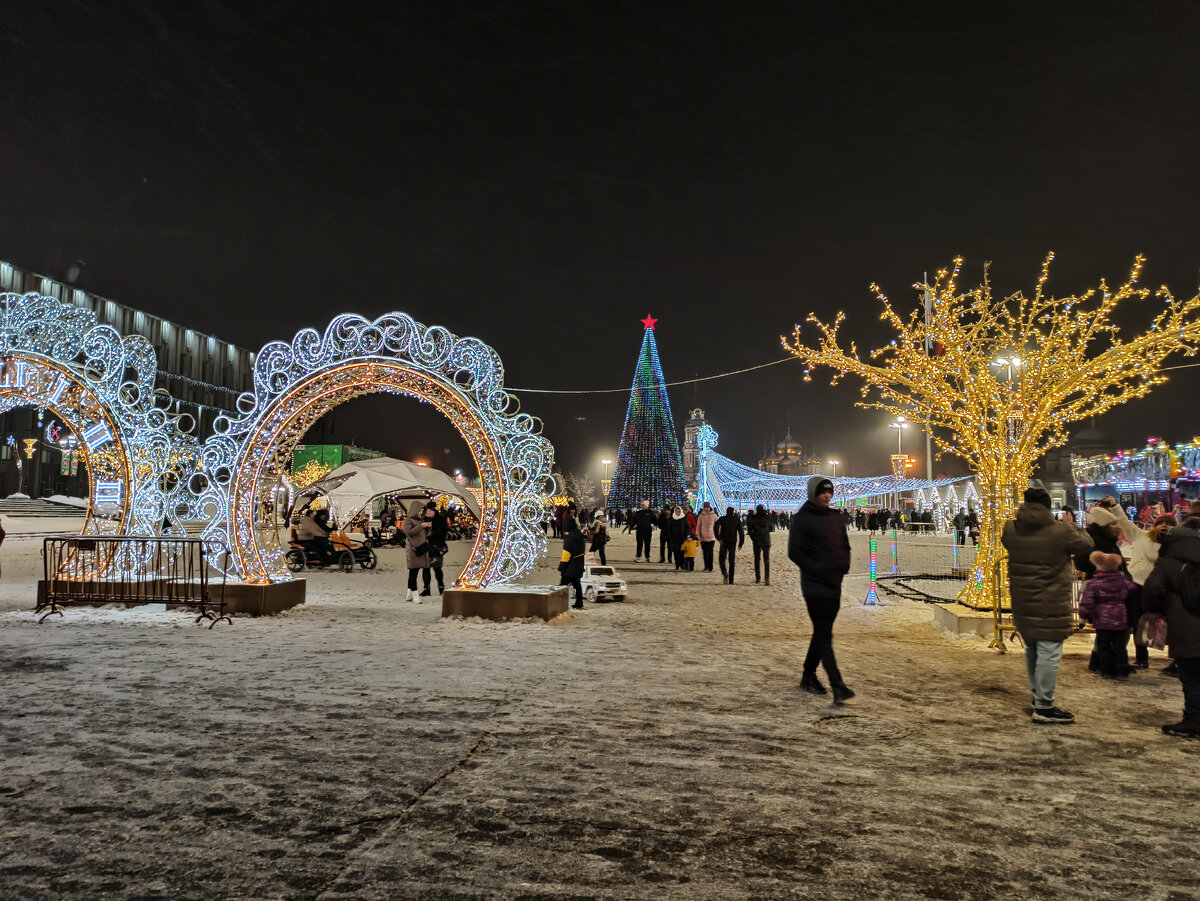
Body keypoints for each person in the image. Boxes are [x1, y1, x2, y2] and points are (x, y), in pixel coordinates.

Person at [1002, 486, 1094, 724]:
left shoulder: (1010, 529)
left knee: (1033, 649)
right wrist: (1071, 523)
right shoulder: (1061, 531)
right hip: (1051, 602)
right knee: (1049, 653)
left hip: (1022, 601)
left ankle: (1038, 698)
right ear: (1047, 507)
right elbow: (1086, 544)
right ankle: (1044, 705)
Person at [788, 476, 853, 703]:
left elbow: (844, 545)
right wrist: (819, 570)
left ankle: (808, 674)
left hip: (834, 583)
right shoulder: (803, 519)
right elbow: (794, 552)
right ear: (813, 493)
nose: (827, 495)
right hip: (815, 585)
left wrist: (843, 567)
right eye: (822, 492)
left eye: (829, 492)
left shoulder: (835, 518)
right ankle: (838, 684)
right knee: (824, 632)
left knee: (822, 632)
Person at [1141, 515, 1200, 738]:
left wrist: (1156, 608)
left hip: (1185, 629)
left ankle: (1194, 719)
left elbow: (1152, 592)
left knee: (1191, 676)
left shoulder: (1168, 563)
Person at [1115, 505, 1176, 669]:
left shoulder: (1176, 545)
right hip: (1138, 585)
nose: (1164, 526)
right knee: (1137, 622)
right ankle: (1142, 658)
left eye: (1168, 524)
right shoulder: (1142, 537)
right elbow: (1124, 523)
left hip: (1163, 588)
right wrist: (1115, 506)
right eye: (1161, 523)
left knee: (1172, 624)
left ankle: (1176, 660)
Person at [1078, 551, 1137, 679]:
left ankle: (1106, 670)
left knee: (1103, 645)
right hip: (1120, 617)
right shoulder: (1122, 582)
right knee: (1120, 645)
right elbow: (1133, 587)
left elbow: (1087, 602)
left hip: (1102, 619)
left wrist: (1082, 618)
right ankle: (1121, 670)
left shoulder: (1093, 584)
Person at [403, 504, 433, 601]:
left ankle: (409, 594)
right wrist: (421, 526)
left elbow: (425, 534)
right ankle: (415, 595)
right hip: (413, 549)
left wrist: (428, 527)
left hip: (422, 549)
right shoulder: (408, 520)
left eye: (422, 511)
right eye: (419, 510)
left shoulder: (421, 520)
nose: (420, 512)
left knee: (414, 571)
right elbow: (409, 533)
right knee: (413, 572)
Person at [559, 516, 586, 610]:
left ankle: (559, 604)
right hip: (579, 564)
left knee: (562, 586)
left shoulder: (570, 538)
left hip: (570, 566)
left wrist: (561, 567)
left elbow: (566, 555)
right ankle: (579, 603)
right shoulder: (579, 535)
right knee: (577, 584)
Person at [716, 506, 744, 584]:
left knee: (722, 558)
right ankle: (731, 580)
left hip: (723, 541)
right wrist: (741, 543)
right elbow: (741, 532)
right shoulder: (736, 520)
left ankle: (724, 572)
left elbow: (715, 527)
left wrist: (718, 538)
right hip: (733, 541)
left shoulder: (722, 519)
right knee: (732, 561)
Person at [747, 503, 772, 586]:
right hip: (766, 540)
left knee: (757, 559)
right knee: (766, 560)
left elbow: (749, 529)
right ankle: (767, 579)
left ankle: (758, 578)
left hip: (757, 541)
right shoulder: (767, 517)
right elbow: (771, 528)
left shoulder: (754, 518)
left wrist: (753, 538)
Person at [426, 501, 449, 595]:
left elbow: (443, 532)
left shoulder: (441, 519)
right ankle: (426, 589)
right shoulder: (425, 519)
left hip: (437, 547)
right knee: (426, 568)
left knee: (437, 568)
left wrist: (433, 532)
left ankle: (441, 587)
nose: (427, 513)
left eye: (429, 511)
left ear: (433, 510)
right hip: (427, 547)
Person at [696, 502, 718, 572]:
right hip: (703, 537)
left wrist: (718, 534)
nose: (706, 509)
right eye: (705, 507)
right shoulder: (701, 516)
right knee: (705, 553)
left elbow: (717, 526)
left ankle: (710, 567)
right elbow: (698, 526)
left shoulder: (714, 515)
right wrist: (697, 534)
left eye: (707, 507)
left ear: (709, 507)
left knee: (710, 552)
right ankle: (706, 567)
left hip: (712, 537)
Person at [667, 505, 689, 570]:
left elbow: (687, 528)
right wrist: (671, 536)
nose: (678, 513)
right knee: (676, 552)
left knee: (682, 552)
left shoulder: (684, 518)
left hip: (682, 538)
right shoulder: (672, 518)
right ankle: (677, 565)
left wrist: (686, 535)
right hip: (674, 538)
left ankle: (682, 565)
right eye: (676, 511)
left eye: (679, 511)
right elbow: (668, 528)